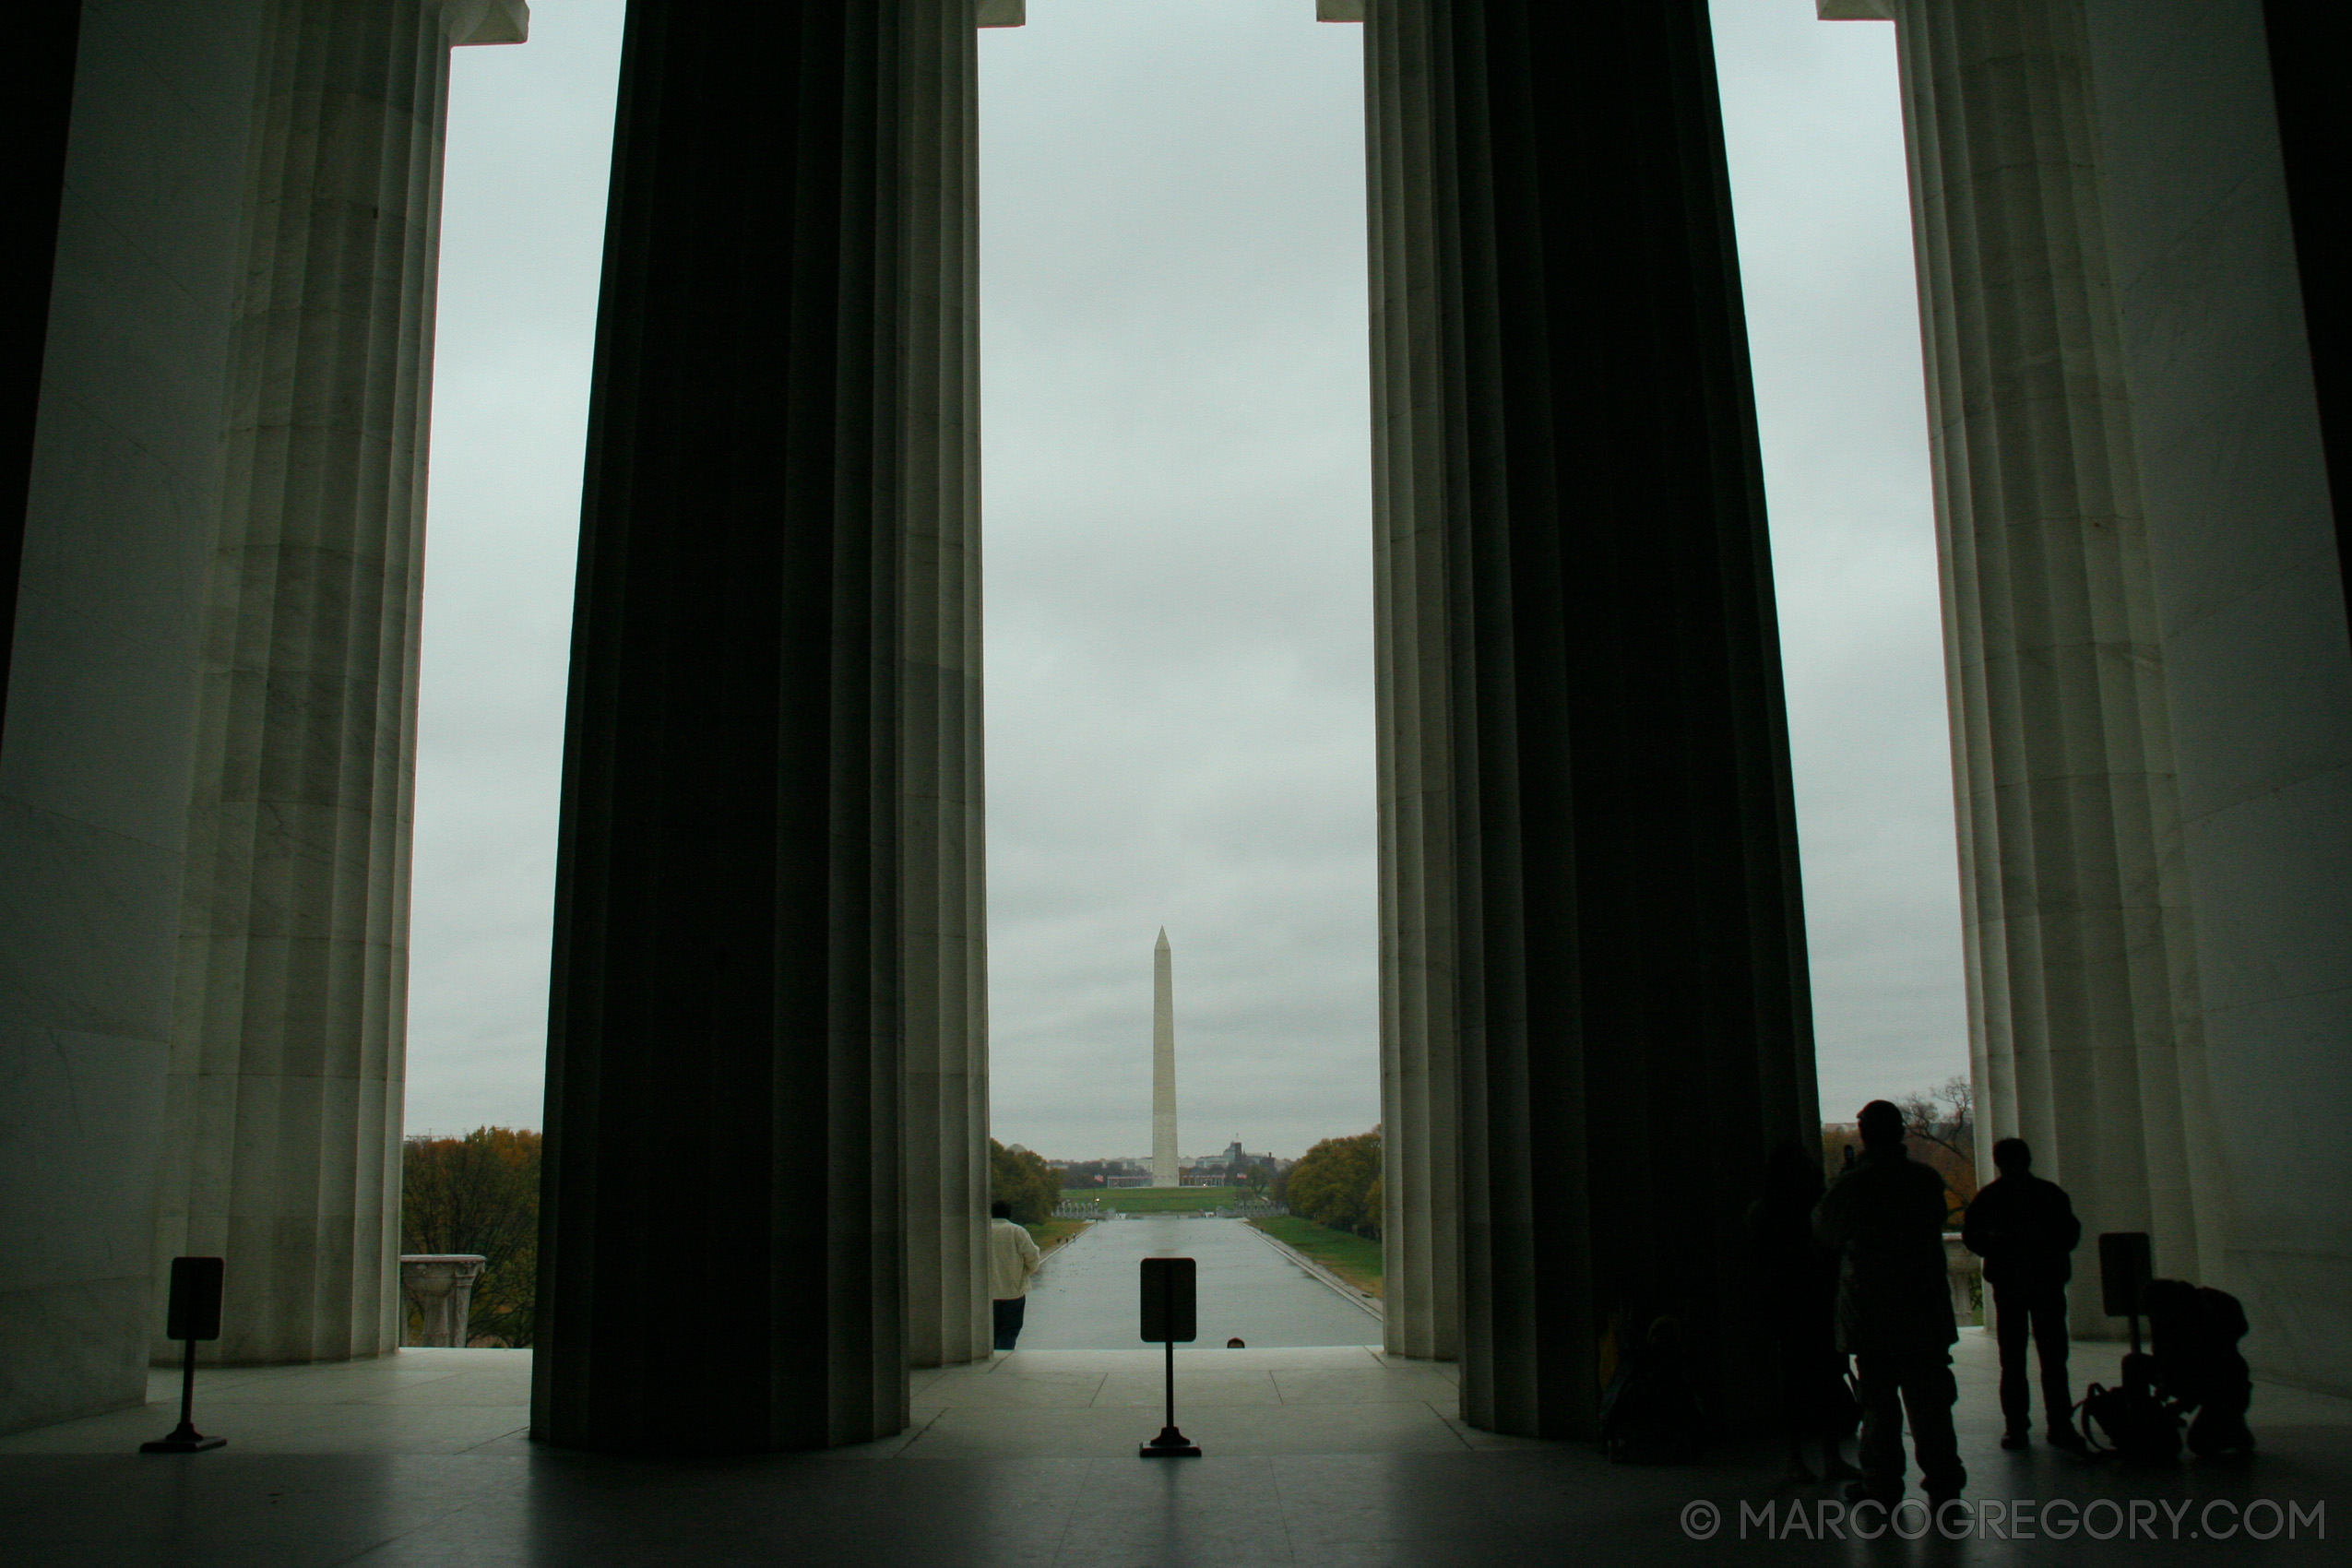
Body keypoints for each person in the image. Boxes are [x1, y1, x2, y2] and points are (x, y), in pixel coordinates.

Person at [1813, 1100, 1965, 1508]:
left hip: (1873, 1311)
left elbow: (1826, 1231)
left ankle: (1881, 1483)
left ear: (1865, 1136)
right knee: (1931, 1404)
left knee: (1879, 1406)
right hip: (1923, 1309)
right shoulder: (1924, 1180)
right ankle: (1944, 1479)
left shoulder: (1854, 1186)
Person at [1961, 1137, 2085, 1450]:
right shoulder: (2050, 1195)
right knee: (2054, 1358)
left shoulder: (1990, 1198)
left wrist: (1997, 1241)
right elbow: (2070, 1235)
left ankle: (2016, 1426)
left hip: (2010, 1284)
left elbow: (1972, 1237)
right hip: (2046, 1282)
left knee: (2013, 1359)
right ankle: (2059, 1423)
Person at [1748, 1143, 1861, 1484]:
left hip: (1788, 1304)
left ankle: (1797, 1459)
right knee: (1827, 1380)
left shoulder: (1763, 1212)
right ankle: (1830, 1457)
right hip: (1818, 1299)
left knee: (1796, 1384)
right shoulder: (1816, 1206)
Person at [2144, 1278, 2255, 1457]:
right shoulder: (2169, 1313)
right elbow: (2165, 1353)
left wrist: (2180, 1405)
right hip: (2198, 1378)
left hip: (2225, 1389)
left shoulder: (2211, 1316)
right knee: (2135, 1364)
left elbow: (2212, 1375)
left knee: (2201, 1443)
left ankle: (2233, 1428)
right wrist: (2166, 1382)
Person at [988, 1199, 1042, 1352]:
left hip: (987, 1293)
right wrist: (1025, 1274)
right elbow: (1032, 1257)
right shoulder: (1017, 1232)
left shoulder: (980, 1230)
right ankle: (1003, 1361)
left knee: (990, 1333)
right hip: (1013, 1293)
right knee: (1009, 1333)